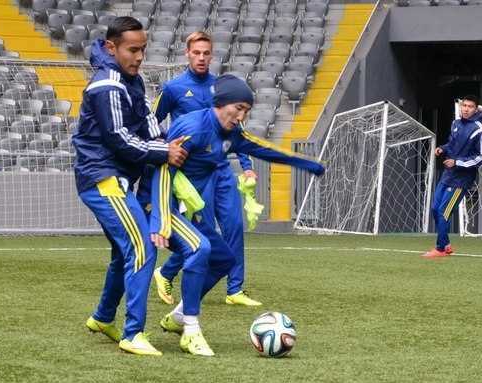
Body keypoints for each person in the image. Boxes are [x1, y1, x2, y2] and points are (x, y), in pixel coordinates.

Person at [148, 74, 325, 355]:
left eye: (246, 111)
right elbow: (162, 171)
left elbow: (263, 149)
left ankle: (179, 316)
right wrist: (160, 219)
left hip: (185, 207)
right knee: (200, 249)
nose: (241, 116)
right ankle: (190, 330)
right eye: (238, 108)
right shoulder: (192, 128)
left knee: (224, 259)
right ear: (220, 103)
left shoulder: (231, 134)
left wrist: (307, 164)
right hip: (158, 203)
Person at [71, 16, 188, 356]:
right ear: (111, 48)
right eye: (132, 50)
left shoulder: (133, 81)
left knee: (124, 251)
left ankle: (103, 318)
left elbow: (150, 124)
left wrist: (167, 141)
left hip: (115, 177)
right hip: (102, 177)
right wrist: (164, 152)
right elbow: (119, 139)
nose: (139, 57)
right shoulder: (107, 84)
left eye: (143, 50)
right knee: (142, 248)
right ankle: (133, 334)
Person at [151, 31, 262, 307]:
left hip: (221, 168)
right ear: (187, 54)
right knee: (203, 232)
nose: (201, 58)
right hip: (193, 174)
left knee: (234, 225)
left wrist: (247, 166)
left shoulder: (222, 88)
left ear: (212, 55)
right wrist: (164, 147)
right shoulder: (172, 88)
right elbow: (151, 124)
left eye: (206, 53)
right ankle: (166, 272)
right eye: (196, 53)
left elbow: (236, 128)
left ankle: (235, 289)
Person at [422, 94, 482, 257]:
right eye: (464, 105)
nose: (466, 109)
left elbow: (480, 157)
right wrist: (442, 149)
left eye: (470, 107)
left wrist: (457, 162)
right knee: (435, 209)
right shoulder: (456, 123)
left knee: (444, 211)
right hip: (447, 175)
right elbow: (452, 145)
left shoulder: (479, 130)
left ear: (476, 110)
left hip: (461, 180)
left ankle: (440, 249)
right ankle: (446, 245)